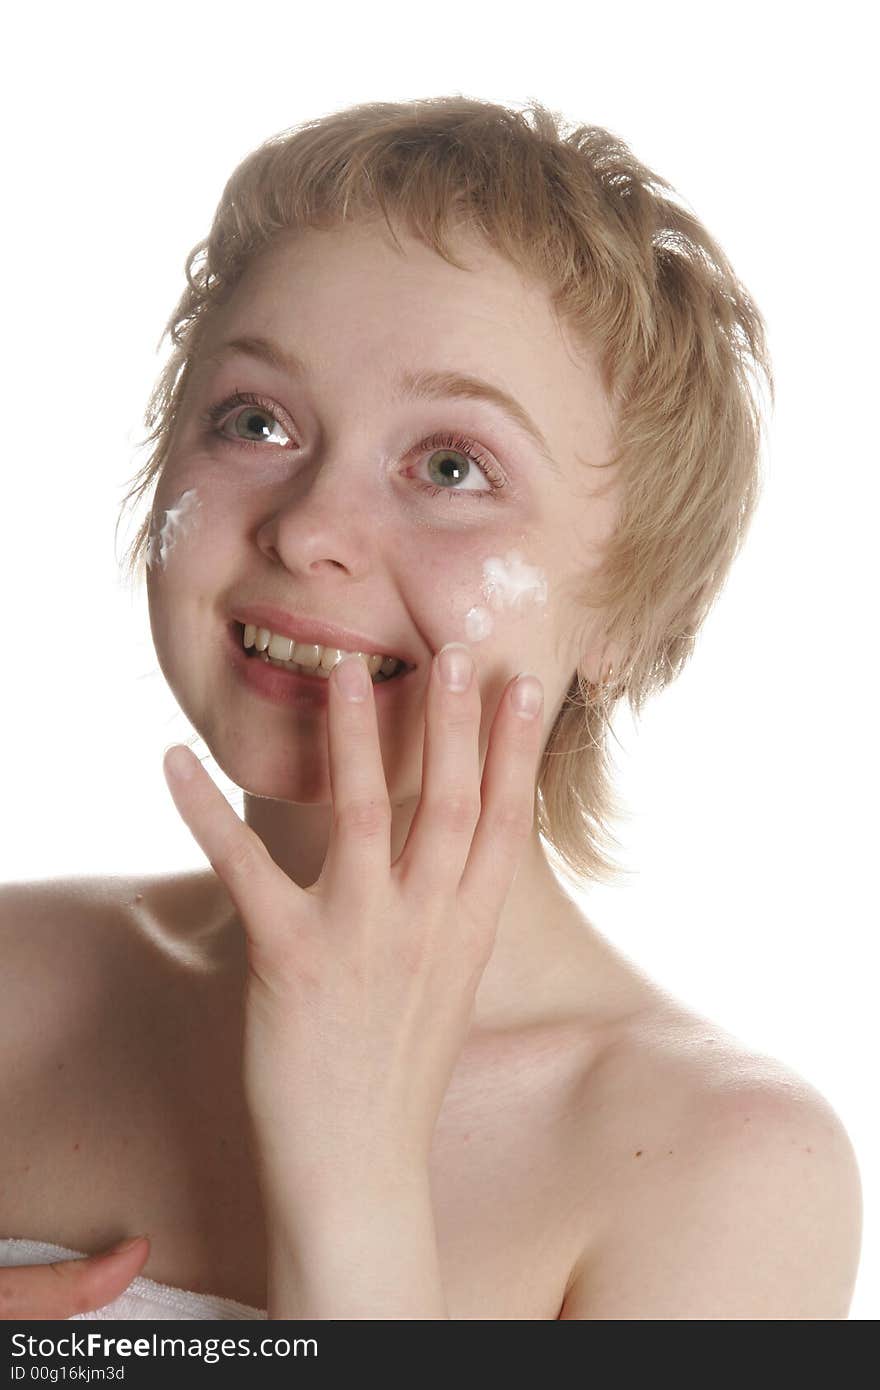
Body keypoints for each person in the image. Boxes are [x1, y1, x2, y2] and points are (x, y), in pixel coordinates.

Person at [0, 96, 862, 1321]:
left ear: (634, 608)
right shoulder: (13, 980)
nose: (307, 529)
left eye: (451, 465)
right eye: (255, 420)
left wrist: (351, 1174)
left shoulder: (728, 1169)